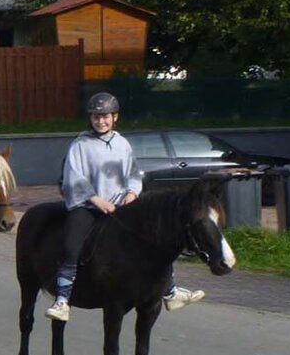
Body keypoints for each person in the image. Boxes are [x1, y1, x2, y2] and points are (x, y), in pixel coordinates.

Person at [50, 92, 205, 322]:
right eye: (95, 117)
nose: (100, 121)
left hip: (120, 205)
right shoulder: (80, 144)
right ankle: (62, 300)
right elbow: (73, 176)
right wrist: (96, 199)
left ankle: (171, 291)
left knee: (153, 240)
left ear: (115, 117)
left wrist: (132, 193)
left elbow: (133, 173)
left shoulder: (122, 143)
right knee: (72, 247)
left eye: (105, 117)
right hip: (89, 206)